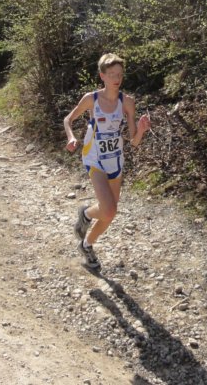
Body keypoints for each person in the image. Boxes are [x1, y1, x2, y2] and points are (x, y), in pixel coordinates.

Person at [64, 53, 151, 269]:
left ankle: (86, 242)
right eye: (111, 74)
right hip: (94, 158)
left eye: (119, 74)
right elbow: (68, 119)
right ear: (102, 76)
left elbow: (134, 142)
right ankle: (86, 215)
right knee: (109, 209)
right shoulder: (91, 99)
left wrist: (141, 130)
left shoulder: (127, 102)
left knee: (109, 213)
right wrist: (71, 137)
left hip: (115, 160)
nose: (116, 78)